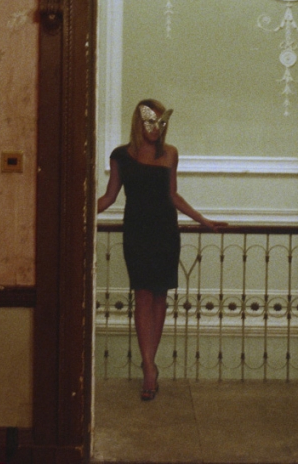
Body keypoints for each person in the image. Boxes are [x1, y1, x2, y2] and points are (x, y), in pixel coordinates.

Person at [97, 99, 225, 401]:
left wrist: (204, 220)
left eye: (161, 122)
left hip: (165, 232)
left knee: (159, 297)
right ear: (138, 123)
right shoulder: (120, 155)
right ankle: (149, 368)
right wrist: (79, 212)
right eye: (149, 121)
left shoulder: (170, 153)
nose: (156, 127)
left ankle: (149, 364)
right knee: (142, 295)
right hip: (137, 232)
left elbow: (173, 195)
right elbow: (110, 196)